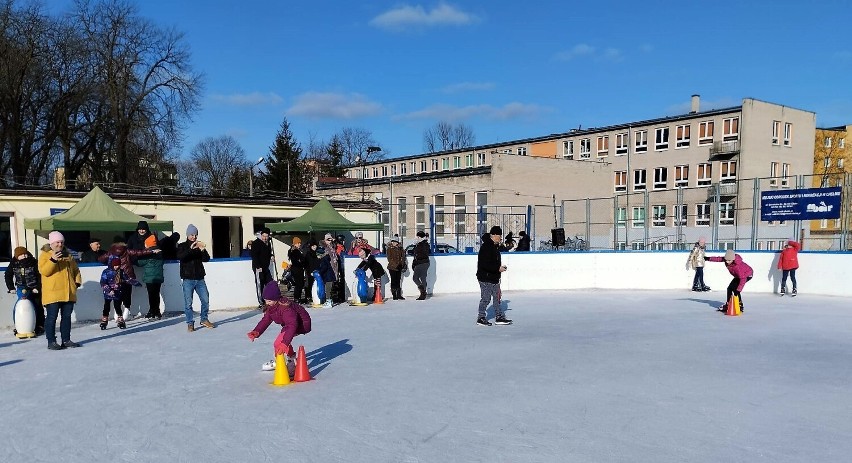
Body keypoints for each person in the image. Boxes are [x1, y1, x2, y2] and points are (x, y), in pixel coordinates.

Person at [247, 281, 312, 373]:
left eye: (269, 301)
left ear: (276, 298)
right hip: (289, 324)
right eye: (265, 300)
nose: (267, 303)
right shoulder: (272, 307)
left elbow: (292, 325)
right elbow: (266, 320)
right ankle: (287, 360)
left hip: (301, 323)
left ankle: (290, 363)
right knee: (280, 343)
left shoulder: (286, 308)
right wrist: (256, 331)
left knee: (279, 343)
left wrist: (285, 343)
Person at [38, 231, 82, 350]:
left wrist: (76, 282)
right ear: (51, 243)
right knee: (51, 318)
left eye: (61, 242)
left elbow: (76, 270)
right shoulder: (45, 255)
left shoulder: (68, 255)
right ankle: (51, 341)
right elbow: (44, 271)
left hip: (68, 292)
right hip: (52, 293)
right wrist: (53, 260)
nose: (60, 244)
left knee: (66, 317)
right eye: (57, 242)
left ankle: (66, 340)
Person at [99, 239, 158, 319]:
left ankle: (117, 315)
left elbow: (101, 259)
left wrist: (110, 263)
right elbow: (139, 252)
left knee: (117, 296)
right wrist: (152, 251)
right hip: (127, 275)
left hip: (115, 276)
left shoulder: (110, 252)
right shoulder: (126, 250)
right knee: (127, 294)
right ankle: (126, 311)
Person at [176, 224, 215, 332]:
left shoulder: (198, 246)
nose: (194, 237)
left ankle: (204, 319)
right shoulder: (182, 246)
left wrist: (202, 250)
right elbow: (181, 257)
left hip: (200, 278)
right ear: (188, 235)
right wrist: (190, 248)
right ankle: (190, 323)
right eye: (192, 235)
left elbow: (206, 259)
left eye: (195, 235)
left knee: (205, 300)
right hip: (188, 279)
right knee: (188, 303)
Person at [476, 226, 512, 326]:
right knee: (486, 298)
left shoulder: (494, 246)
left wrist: (499, 268)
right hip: (485, 278)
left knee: (497, 298)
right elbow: (485, 264)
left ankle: (499, 317)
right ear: (494, 235)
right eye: (500, 235)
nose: (501, 238)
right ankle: (481, 317)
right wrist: (497, 268)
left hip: (494, 277)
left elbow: (493, 262)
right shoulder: (486, 247)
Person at [5, 246, 44, 336]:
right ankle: (19, 326)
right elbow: (8, 275)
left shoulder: (33, 262)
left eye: (25, 254)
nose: (24, 256)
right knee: (19, 305)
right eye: (22, 255)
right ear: (17, 256)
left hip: (33, 287)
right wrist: (11, 288)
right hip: (21, 287)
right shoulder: (13, 263)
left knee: (37, 306)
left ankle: (39, 325)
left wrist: (37, 288)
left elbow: (40, 276)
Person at [99, 256, 141, 329]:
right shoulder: (106, 272)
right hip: (108, 293)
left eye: (118, 265)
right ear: (111, 264)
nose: (116, 267)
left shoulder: (121, 271)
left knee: (117, 306)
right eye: (115, 265)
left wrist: (135, 283)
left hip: (117, 292)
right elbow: (103, 282)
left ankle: (120, 319)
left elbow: (127, 279)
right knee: (106, 306)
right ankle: (104, 319)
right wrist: (109, 290)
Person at [137, 234, 165, 319]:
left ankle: (152, 311)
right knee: (156, 294)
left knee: (151, 295)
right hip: (159, 277)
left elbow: (139, 263)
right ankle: (157, 311)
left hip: (150, 278)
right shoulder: (160, 253)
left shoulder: (147, 254)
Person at [251, 227, 274, 309]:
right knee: (260, 284)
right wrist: (258, 267)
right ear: (261, 235)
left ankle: (270, 300)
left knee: (270, 283)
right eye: (263, 236)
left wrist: (271, 256)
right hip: (258, 267)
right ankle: (261, 302)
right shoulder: (256, 243)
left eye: (266, 236)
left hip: (265, 267)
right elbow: (254, 256)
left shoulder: (268, 244)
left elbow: (268, 253)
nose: (265, 238)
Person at [317, 233, 340, 308]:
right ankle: (328, 300)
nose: (329, 241)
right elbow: (323, 260)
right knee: (328, 286)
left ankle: (329, 301)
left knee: (329, 286)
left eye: (330, 239)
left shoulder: (332, 247)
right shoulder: (324, 249)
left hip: (332, 269)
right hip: (328, 269)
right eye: (328, 239)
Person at [411, 230, 430, 300]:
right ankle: (423, 291)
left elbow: (422, 253)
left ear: (420, 237)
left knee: (419, 278)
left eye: (418, 236)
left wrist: (417, 257)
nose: (416, 238)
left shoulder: (423, 244)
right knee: (419, 278)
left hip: (422, 263)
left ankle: (423, 292)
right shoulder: (419, 244)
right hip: (420, 262)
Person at [287, 237, 306, 302]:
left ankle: (297, 297)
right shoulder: (296, 251)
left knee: (299, 284)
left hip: (296, 269)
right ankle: (297, 298)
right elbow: (300, 260)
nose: (300, 244)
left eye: (300, 243)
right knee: (299, 284)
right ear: (295, 243)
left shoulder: (292, 250)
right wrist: (302, 262)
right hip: (297, 269)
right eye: (298, 243)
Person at [303, 239, 321, 304]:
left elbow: (316, 263)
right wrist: (308, 271)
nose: (315, 247)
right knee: (309, 284)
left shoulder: (315, 253)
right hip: (309, 272)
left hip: (315, 272)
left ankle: (312, 296)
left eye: (315, 246)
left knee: (314, 284)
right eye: (313, 246)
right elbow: (308, 263)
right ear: (311, 246)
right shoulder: (308, 254)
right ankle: (308, 297)